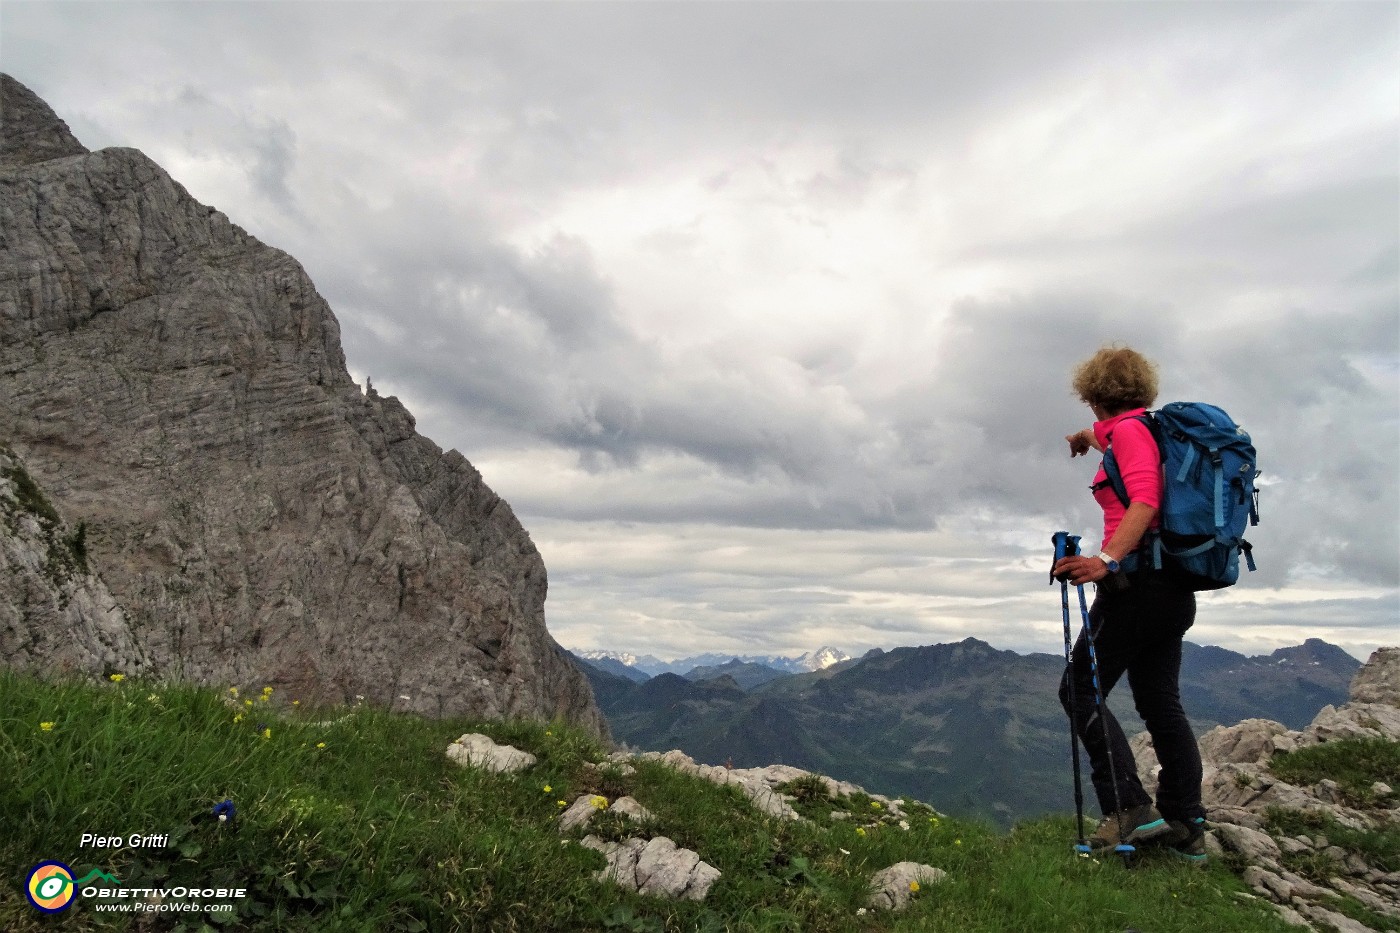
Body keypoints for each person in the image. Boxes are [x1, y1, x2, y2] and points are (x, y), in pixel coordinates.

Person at [1052, 345, 1207, 861]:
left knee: (1078, 690)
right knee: (1161, 704)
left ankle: (1129, 807)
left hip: (1136, 587)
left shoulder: (1129, 434)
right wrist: (1082, 438)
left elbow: (1145, 498)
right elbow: (1108, 437)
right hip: (1172, 589)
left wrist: (1107, 560)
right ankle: (1185, 824)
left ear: (1093, 394)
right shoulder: (1144, 429)